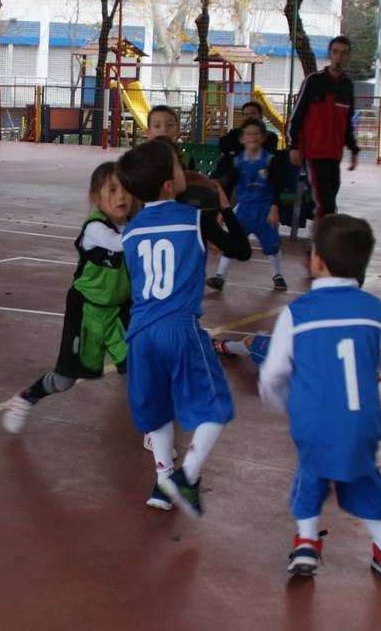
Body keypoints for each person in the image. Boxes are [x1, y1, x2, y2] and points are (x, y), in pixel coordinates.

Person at [259, 214, 381, 583]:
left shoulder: (297, 312)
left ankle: (307, 543)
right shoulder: (375, 309)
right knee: (360, 474)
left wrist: (282, 402)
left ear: (317, 261)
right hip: (362, 420)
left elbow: (273, 373)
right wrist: (380, 366)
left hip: (313, 421)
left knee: (311, 473)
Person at [116, 138, 251, 517]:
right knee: (215, 408)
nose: (183, 170)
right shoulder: (196, 217)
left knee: (157, 411)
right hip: (180, 328)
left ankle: (163, 479)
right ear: (167, 184)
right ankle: (186, 476)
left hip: (140, 333)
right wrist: (225, 208)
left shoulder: (130, 231)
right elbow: (240, 250)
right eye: (178, 166)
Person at [2, 162, 132, 434]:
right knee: (64, 381)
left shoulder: (132, 224)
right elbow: (121, 244)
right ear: (96, 197)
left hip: (119, 311)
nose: (121, 196)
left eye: (126, 189)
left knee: (138, 368)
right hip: (86, 310)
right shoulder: (95, 227)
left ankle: (155, 434)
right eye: (112, 190)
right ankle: (27, 397)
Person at [206, 117, 287, 292]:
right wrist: (222, 212)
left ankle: (277, 275)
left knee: (272, 245)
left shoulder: (269, 160)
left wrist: (274, 208)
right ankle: (220, 276)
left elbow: (277, 185)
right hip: (244, 209)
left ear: (263, 137)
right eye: (248, 134)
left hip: (264, 210)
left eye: (256, 134)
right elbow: (229, 187)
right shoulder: (237, 161)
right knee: (233, 241)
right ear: (242, 139)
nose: (252, 137)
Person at [286, 36, 359, 222]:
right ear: (329, 54)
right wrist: (293, 146)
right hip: (313, 153)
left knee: (330, 199)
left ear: (348, 57)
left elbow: (347, 122)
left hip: (334, 155)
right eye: (335, 52)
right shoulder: (314, 81)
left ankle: (321, 241)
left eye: (343, 53)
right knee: (324, 202)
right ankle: (320, 245)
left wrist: (353, 149)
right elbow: (296, 116)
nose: (339, 57)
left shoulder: (347, 86)